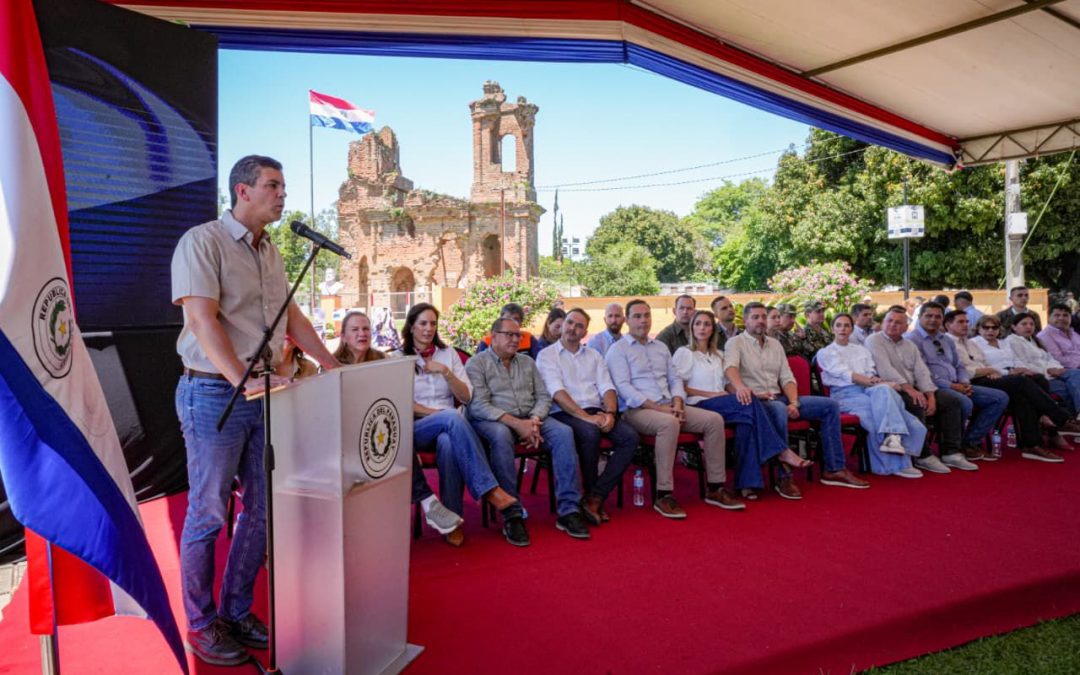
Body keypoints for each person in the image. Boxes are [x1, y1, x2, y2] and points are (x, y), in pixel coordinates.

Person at [172, 155, 340, 666]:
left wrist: (331, 363)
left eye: (283, 186)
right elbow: (202, 320)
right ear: (242, 191)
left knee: (262, 508)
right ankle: (201, 623)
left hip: (264, 392)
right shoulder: (202, 241)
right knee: (207, 511)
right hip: (213, 393)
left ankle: (236, 610)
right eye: (273, 185)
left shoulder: (272, 252)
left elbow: (292, 317)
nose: (283, 194)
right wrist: (242, 379)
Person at [397, 303, 520, 546]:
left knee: (448, 443)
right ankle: (489, 489)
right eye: (423, 323)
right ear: (411, 327)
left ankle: (453, 521)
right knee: (452, 418)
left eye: (433, 323)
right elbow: (401, 402)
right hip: (418, 428)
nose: (428, 328)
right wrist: (439, 414)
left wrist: (446, 372)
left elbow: (466, 396)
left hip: (451, 429)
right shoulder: (398, 358)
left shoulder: (448, 354)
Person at [336, 310, 465, 539]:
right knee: (399, 439)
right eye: (355, 330)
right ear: (343, 336)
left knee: (414, 437)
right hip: (347, 436)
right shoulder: (332, 365)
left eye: (365, 329)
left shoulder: (382, 361)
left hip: (382, 433)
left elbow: (395, 402)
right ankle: (429, 502)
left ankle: (441, 513)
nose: (362, 334)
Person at [607, 299, 741, 517]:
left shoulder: (660, 348)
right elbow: (624, 388)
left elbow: (675, 379)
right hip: (638, 411)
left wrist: (678, 401)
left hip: (670, 405)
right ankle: (664, 494)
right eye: (637, 316)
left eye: (647, 315)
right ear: (627, 320)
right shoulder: (617, 350)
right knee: (669, 424)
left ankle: (715, 488)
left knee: (714, 420)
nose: (643, 321)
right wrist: (659, 409)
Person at [725, 302, 870, 496]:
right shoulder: (735, 343)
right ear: (745, 320)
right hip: (756, 401)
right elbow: (730, 369)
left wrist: (794, 402)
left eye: (763, 317)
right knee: (778, 408)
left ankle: (834, 469)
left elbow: (787, 378)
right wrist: (741, 388)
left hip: (780, 397)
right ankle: (784, 476)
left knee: (829, 406)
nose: (760, 321)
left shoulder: (775, 344)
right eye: (755, 317)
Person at [466, 317, 590, 543]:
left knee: (563, 433)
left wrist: (533, 420)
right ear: (494, 336)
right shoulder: (477, 363)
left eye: (518, 335)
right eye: (509, 335)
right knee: (501, 435)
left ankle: (569, 510)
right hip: (494, 420)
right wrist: (517, 424)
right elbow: (479, 406)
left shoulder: (527, 362)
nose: (515, 340)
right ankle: (512, 513)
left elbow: (543, 396)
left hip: (530, 418)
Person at [673, 310, 805, 500]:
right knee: (748, 404)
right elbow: (680, 386)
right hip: (699, 404)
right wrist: (714, 394)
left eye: (707, 324)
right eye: (698, 324)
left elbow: (728, 385)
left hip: (724, 403)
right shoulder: (685, 353)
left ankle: (746, 483)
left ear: (713, 329)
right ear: (692, 328)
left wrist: (753, 394)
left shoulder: (719, 355)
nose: (702, 328)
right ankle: (781, 451)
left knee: (747, 422)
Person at [537, 308, 638, 524]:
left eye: (579, 326)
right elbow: (557, 392)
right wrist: (586, 417)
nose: (573, 328)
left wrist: (610, 413)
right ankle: (590, 493)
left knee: (630, 437)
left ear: (585, 333)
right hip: (563, 412)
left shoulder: (594, 355)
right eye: (570, 323)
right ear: (563, 325)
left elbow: (607, 387)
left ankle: (595, 497)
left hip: (596, 410)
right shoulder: (547, 355)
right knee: (590, 433)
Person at [948, 312, 1077, 462]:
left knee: (1029, 388)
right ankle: (1060, 419)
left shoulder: (969, 343)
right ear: (948, 325)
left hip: (991, 375)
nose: (965, 325)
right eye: (960, 322)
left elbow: (985, 363)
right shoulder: (956, 342)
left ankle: (1032, 444)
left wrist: (997, 370)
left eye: (966, 322)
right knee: (1021, 382)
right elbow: (965, 371)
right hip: (972, 380)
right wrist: (994, 371)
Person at [817, 314, 926, 478]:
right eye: (838, 325)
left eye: (846, 325)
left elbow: (870, 373)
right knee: (876, 414)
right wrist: (879, 382)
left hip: (867, 388)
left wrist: (881, 383)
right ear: (832, 329)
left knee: (885, 392)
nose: (842, 329)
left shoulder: (861, 350)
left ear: (852, 329)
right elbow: (848, 375)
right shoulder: (826, 352)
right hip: (845, 394)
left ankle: (893, 439)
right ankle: (892, 465)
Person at [865, 306, 968, 475]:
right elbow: (885, 369)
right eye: (889, 321)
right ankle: (923, 454)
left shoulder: (910, 345)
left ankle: (951, 452)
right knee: (916, 402)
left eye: (898, 322)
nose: (893, 325)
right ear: (883, 323)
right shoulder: (874, 340)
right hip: (891, 389)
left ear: (906, 327)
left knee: (951, 401)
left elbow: (922, 371)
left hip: (915, 387)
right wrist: (910, 389)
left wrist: (930, 395)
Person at [906, 302, 1008, 465]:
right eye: (929, 316)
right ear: (919, 317)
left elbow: (959, 365)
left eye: (937, 316)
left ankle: (970, 442)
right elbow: (923, 372)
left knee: (999, 398)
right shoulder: (912, 340)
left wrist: (964, 382)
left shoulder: (945, 339)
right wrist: (952, 386)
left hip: (958, 384)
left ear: (942, 320)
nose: (933, 320)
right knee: (963, 402)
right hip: (934, 387)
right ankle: (952, 448)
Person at [1006, 312, 1080, 416]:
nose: (1029, 327)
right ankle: (1071, 418)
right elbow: (1022, 364)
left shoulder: (1035, 340)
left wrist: (1056, 368)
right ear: (1014, 327)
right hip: (1040, 377)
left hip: (1053, 373)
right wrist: (1047, 371)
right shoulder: (1012, 341)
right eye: (1024, 324)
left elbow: (1049, 358)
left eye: (1032, 324)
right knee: (1066, 389)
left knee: (1076, 375)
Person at [475, 302, 541, 358]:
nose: (511, 322)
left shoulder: (528, 338)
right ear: (500, 320)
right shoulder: (488, 340)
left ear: (521, 323)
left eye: (516, 319)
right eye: (507, 318)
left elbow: (539, 360)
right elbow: (481, 363)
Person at [1039, 303, 1080, 371]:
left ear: (1070, 318)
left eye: (1065, 315)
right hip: (1065, 372)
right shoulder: (1044, 335)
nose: (1061, 318)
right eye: (1057, 315)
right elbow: (1057, 359)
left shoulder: (1074, 334)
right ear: (1048, 317)